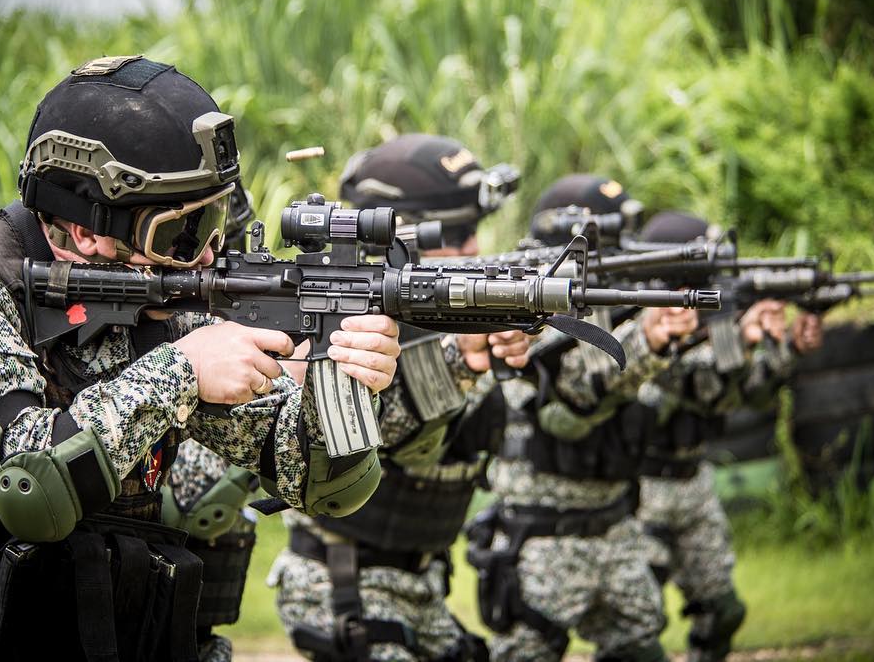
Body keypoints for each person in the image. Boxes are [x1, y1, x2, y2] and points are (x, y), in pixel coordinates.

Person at [0, 55, 401, 661]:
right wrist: (181, 373)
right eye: (181, 230)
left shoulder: (162, 293)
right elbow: (29, 488)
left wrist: (339, 379)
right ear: (87, 230)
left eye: (215, 221)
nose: (205, 257)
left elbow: (321, 484)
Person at [268, 134, 531, 662]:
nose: (472, 250)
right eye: (454, 234)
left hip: (424, 586)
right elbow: (373, 437)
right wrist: (462, 362)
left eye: (473, 231)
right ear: (400, 233)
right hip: (345, 583)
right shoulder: (341, 318)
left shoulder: (452, 311)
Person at [467, 174, 700, 662]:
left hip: (614, 522)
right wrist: (648, 341)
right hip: (544, 539)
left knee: (641, 650)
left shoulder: (615, 303)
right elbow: (571, 400)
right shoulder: (525, 304)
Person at [629, 211, 824, 662]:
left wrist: (783, 347)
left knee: (723, 610)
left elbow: (748, 397)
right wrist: (739, 336)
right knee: (636, 634)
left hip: (693, 482)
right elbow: (698, 388)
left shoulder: (707, 319)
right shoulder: (646, 327)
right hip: (642, 490)